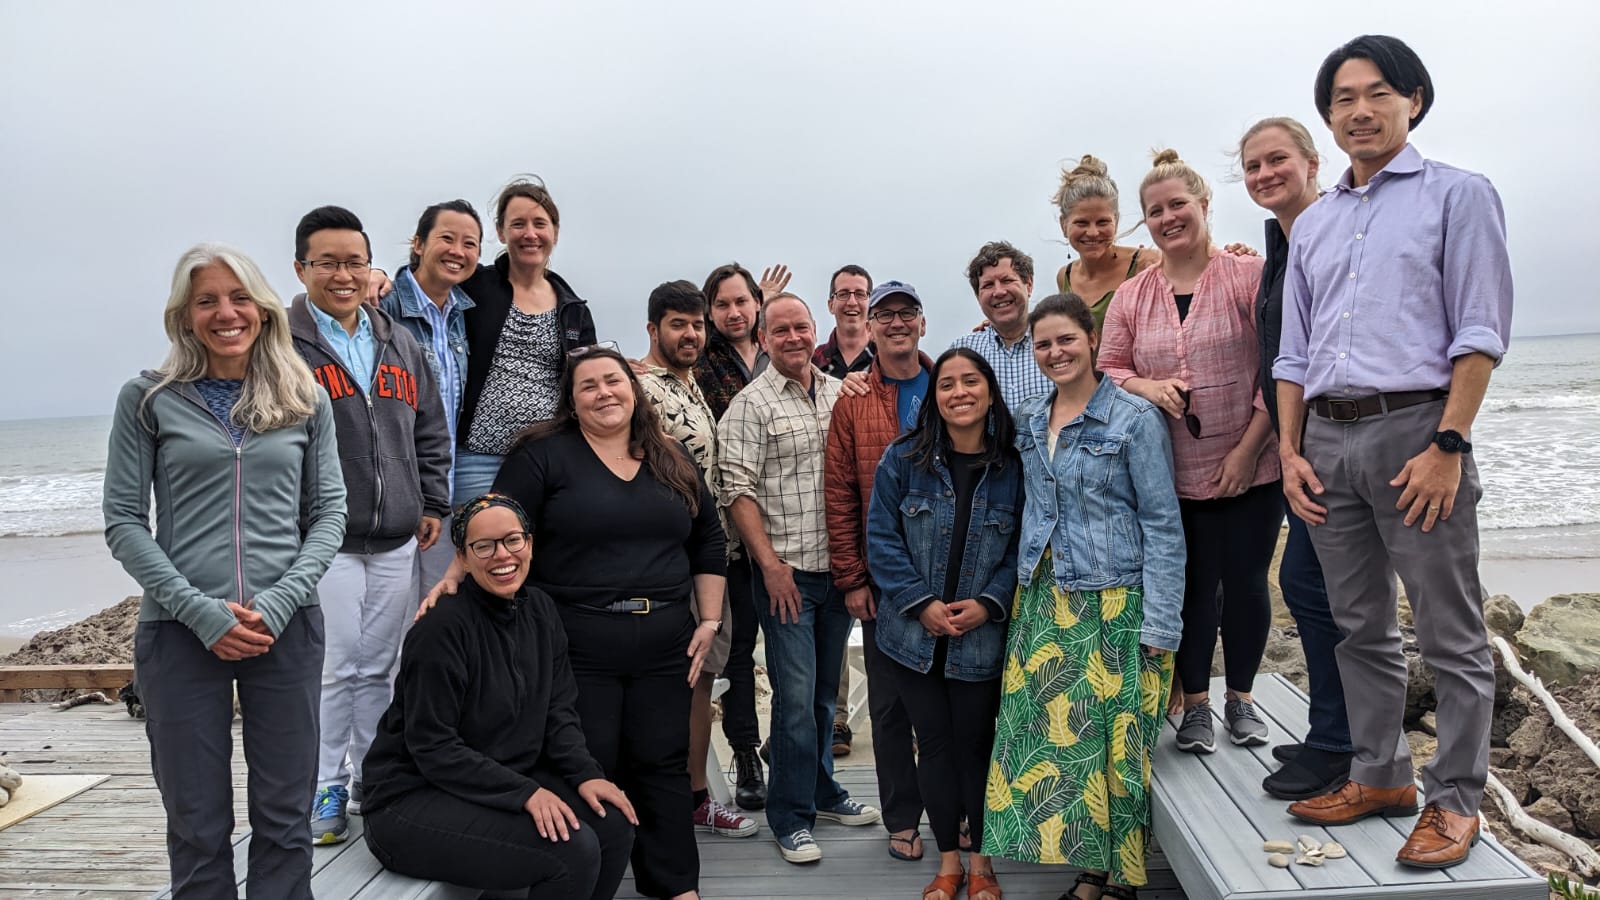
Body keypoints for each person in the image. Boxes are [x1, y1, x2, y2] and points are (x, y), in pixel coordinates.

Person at [1276, 35, 1512, 869]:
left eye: (1378, 93)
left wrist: (1451, 441)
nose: (1360, 110)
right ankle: (1380, 774)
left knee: (1451, 633)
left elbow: (1480, 330)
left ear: (1414, 99)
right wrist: (1289, 449)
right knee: (1358, 627)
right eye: (1342, 98)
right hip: (1325, 443)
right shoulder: (1317, 224)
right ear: (1328, 117)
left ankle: (1456, 799)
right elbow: (1293, 353)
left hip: (1418, 432)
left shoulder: (1460, 196)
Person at [104, 243, 348, 898]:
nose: (225, 313)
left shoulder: (305, 398)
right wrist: (202, 612)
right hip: (179, 633)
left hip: (285, 629)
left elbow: (329, 514)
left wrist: (278, 601)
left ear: (264, 311)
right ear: (184, 316)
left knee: (284, 817)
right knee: (195, 821)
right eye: (205, 300)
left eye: (239, 297)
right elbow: (124, 521)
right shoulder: (148, 398)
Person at [471, 345, 727, 899]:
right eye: (588, 386)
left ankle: (676, 885)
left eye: (613, 381)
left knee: (663, 761)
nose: (604, 393)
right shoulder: (543, 455)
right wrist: (455, 575)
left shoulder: (671, 456)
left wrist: (708, 620)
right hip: (575, 640)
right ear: (571, 398)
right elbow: (500, 525)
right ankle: (589, 883)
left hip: (667, 643)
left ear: (633, 390)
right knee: (589, 762)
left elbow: (708, 538)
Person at [985, 294, 1183, 900]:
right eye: (1043, 344)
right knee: (1055, 746)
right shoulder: (1025, 417)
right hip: (1043, 597)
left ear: (1092, 339)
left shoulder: (1134, 419)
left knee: (1114, 745)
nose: (1054, 353)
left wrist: (1163, 623)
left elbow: (1163, 524)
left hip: (1115, 600)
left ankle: (1114, 877)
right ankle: (1089, 867)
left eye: (1066, 339)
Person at [361, 494, 637, 899]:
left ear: (530, 543)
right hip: (410, 801)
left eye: (512, 540)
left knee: (612, 823)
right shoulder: (441, 629)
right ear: (463, 556)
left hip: (498, 779)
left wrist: (586, 774)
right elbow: (432, 746)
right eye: (484, 546)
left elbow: (559, 714)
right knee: (571, 851)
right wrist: (525, 794)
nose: (502, 556)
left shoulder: (541, 611)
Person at [1098, 149, 1280, 755]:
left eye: (1179, 204)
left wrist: (1249, 451)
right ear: (1144, 224)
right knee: (1193, 588)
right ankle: (1197, 705)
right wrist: (1148, 387)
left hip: (1255, 461)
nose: (1169, 217)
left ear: (1204, 206)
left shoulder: (1247, 278)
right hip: (1171, 473)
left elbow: (1278, 365)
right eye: (1155, 211)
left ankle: (1244, 701)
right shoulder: (1133, 295)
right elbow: (1109, 367)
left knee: (1249, 582)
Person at [288, 206, 453, 845]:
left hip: (395, 536)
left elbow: (431, 429)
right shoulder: (284, 343)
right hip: (322, 538)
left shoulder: (398, 340)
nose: (343, 273)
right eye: (327, 262)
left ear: (370, 265)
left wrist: (433, 502)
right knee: (333, 665)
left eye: (354, 260)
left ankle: (373, 776)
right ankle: (326, 783)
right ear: (301, 268)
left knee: (382, 665)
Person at [717, 293, 882, 864]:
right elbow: (737, 490)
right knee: (791, 701)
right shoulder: (750, 405)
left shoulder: (841, 393)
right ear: (764, 338)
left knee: (819, 698)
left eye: (800, 328)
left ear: (816, 332)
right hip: (785, 574)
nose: (791, 337)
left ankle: (822, 788)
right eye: (779, 329)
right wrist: (769, 566)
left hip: (837, 574)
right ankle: (790, 819)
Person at [866, 347, 1022, 900]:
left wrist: (989, 602)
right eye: (947, 383)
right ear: (934, 396)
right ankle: (949, 863)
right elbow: (881, 541)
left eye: (970, 382)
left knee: (976, 745)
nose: (959, 392)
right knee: (931, 745)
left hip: (980, 636)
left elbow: (1022, 550)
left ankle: (982, 863)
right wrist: (918, 601)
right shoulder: (903, 458)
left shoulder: (1012, 465)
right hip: (911, 637)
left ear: (989, 391)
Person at [1238, 117, 1355, 801]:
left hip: (1335, 446)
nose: (1263, 175)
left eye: (1277, 159)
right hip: (1301, 448)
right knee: (1314, 593)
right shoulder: (1278, 242)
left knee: (1327, 595)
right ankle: (1333, 734)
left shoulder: (1334, 231)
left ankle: (1341, 744)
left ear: (1314, 160)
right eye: (1252, 166)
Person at [637, 280, 760, 840]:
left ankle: (693, 797)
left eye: (696, 325)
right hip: (671, 561)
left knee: (701, 684)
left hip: (715, 557)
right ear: (653, 329)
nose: (690, 334)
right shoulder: (641, 388)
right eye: (678, 324)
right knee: (679, 684)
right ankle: (678, 799)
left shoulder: (693, 388)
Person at [823, 280, 931, 861]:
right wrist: (852, 578)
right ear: (870, 325)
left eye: (905, 313)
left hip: (950, 575)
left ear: (921, 322)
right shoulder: (854, 399)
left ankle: (959, 813)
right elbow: (839, 493)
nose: (894, 323)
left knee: (951, 710)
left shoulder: (950, 384)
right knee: (890, 712)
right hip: (884, 581)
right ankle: (902, 818)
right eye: (883, 314)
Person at [691, 261, 777, 812]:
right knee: (740, 651)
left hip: (789, 528)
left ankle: (790, 751)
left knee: (794, 649)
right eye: (721, 304)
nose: (733, 313)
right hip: (729, 532)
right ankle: (746, 755)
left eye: (742, 301)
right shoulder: (701, 363)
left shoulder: (778, 354)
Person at [454, 177, 597, 500]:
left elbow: (587, 380)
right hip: (477, 458)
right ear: (501, 232)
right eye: (518, 224)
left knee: (544, 551)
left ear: (555, 232)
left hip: (549, 460)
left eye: (540, 224)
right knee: (478, 547)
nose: (530, 234)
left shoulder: (573, 309)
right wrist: (380, 277)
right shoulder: (474, 286)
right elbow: (426, 282)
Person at [380, 200, 482, 599]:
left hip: (443, 495)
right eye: (447, 238)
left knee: (434, 611)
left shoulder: (462, 312)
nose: (458, 251)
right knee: (389, 623)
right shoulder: (383, 305)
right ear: (419, 243)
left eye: (470, 243)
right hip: (394, 492)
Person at [814, 262, 876, 758]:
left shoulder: (891, 357)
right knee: (836, 614)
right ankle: (835, 720)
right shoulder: (812, 360)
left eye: (859, 293)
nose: (851, 302)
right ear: (830, 303)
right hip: (826, 505)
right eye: (843, 294)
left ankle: (903, 717)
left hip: (880, 507)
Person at [1053, 155, 1161, 332]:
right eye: (1082, 223)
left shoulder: (1145, 263)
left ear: (1116, 222)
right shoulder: (1065, 277)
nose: (1093, 232)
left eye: (1102, 222)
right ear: (1064, 225)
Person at [950, 241, 1054, 409]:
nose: (998, 292)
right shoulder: (963, 351)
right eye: (988, 285)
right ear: (978, 296)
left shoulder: (1058, 344)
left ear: (1029, 285)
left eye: (1006, 280)